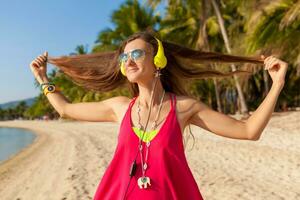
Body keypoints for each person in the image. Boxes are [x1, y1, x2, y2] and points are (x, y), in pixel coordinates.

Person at [29, 31, 288, 200]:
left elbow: (248, 131)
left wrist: (276, 85)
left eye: (137, 54)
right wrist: (43, 80)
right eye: (124, 57)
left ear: (159, 59)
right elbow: (65, 108)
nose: (128, 61)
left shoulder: (185, 108)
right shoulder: (119, 108)